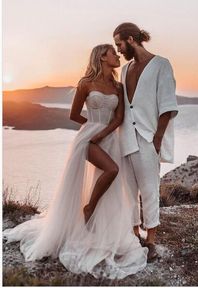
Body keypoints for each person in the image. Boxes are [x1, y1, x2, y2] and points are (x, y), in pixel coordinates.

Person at [3, 44, 147, 279]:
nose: (116, 55)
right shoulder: (85, 83)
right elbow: (73, 114)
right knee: (112, 170)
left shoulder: (118, 86)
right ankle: (88, 208)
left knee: (110, 177)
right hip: (88, 139)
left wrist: (103, 132)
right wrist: (91, 129)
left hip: (109, 137)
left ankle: (98, 222)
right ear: (102, 56)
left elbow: (120, 117)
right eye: (112, 52)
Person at [113, 23, 179, 262]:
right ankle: (134, 234)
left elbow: (167, 106)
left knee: (149, 189)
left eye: (119, 44)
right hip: (125, 137)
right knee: (128, 190)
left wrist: (157, 140)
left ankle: (150, 239)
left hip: (147, 138)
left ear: (131, 39)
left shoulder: (161, 65)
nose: (118, 50)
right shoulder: (125, 69)